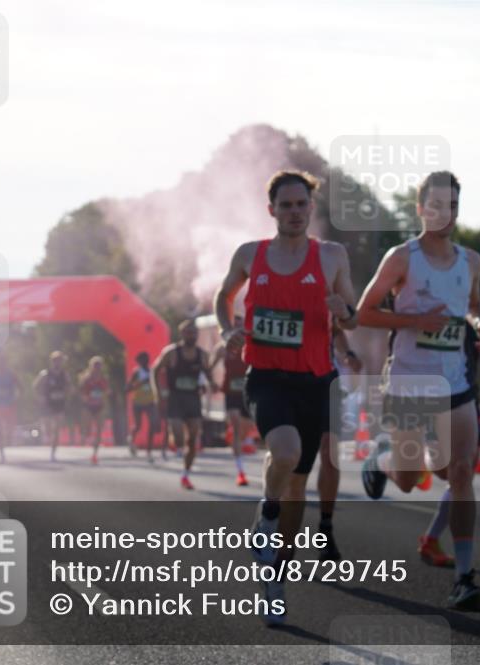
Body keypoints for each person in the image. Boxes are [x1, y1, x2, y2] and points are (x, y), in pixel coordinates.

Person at [212, 170, 358, 626]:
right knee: (287, 452)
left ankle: (275, 578)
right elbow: (223, 296)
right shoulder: (250, 255)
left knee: (299, 483)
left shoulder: (332, 257)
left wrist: (343, 311)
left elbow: (352, 316)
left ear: (311, 209)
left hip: (316, 380)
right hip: (268, 376)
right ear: (271, 209)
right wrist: (227, 329)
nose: (295, 212)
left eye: (302, 205)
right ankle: (266, 511)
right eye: (286, 205)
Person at [356, 170, 480, 612]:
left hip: (456, 383)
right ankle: (381, 458)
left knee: (461, 474)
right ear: (420, 208)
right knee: (409, 479)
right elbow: (364, 313)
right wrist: (415, 320)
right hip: (410, 380)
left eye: (452, 205)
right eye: (435, 205)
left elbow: (473, 306)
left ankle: (465, 578)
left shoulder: (471, 261)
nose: (444, 214)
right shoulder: (402, 258)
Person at [418, 303, 480, 567]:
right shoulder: (427, 301)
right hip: (427, 398)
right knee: (444, 472)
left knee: (462, 473)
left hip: (465, 399)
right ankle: (396, 458)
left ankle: (434, 543)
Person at [315, 322, 363, 561]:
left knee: (330, 455)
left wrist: (347, 354)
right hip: (289, 380)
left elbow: (336, 328)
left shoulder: (324, 289)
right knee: (293, 462)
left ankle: (326, 528)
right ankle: (275, 522)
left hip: (327, 380)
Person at [152, 320, 216, 489]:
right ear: (182, 334)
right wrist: (157, 392)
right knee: (179, 435)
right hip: (176, 399)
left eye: (194, 333)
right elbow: (155, 370)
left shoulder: (202, 355)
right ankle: (176, 443)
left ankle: (186, 474)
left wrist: (212, 383)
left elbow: (208, 373)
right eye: (188, 332)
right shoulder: (172, 353)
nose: (192, 336)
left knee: (193, 438)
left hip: (193, 399)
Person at [211, 314, 253, 486]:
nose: (237, 328)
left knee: (245, 428)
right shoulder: (222, 348)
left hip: (249, 391)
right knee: (236, 424)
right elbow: (209, 366)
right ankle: (240, 470)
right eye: (234, 325)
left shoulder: (251, 345)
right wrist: (211, 382)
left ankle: (239, 442)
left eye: (240, 324)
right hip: (231, 392)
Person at [33, 351, 71, 461]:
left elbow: (69, 387)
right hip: (48, 404)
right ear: (52, 361)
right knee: (48, 429)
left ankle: (53, 453)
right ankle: (46, 435)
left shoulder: (65, 374)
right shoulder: (45, 374)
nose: (57, 363)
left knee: (57, 429)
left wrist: (66, 393)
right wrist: (40, 397)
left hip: (59, 404)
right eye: (55, 360)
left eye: (59, 360)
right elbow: (35, 386)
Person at [126, 351, 161, 462]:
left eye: (146, 359)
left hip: (150, 402)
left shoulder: (152, 371)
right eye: (142, 359)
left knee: (152, 425)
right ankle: (131, 439)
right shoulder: (136, 372)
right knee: (138, 425)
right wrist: (141, 383)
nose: (145, 361)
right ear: (139, 361)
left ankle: (149, 451)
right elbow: (128, 388)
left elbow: (158, 385)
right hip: (138, 402)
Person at [78, 356, 110, 464]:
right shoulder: (86, 379)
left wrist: (103, 399)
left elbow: (106, 392)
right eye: (95, 366)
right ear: (91, 367)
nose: (97, 368)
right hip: (88, 406)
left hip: (99, 406)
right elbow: (81, 392)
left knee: (99, 431)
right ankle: (85, 434)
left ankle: (94, 454)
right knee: (87, 429)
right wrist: (87, 398)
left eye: (99, 366)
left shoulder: (103, 380)